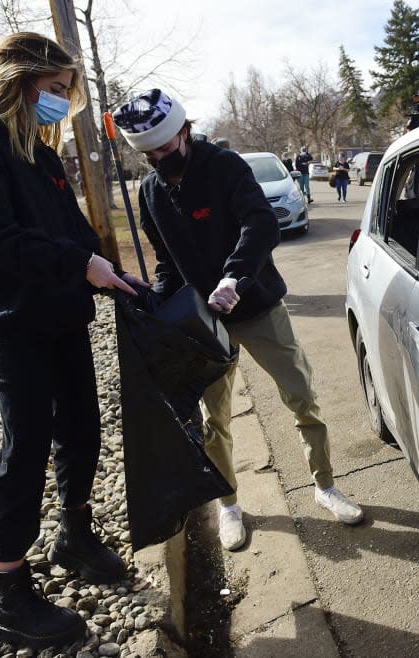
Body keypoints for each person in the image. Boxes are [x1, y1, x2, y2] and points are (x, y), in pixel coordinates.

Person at [0, 32, 146, 650]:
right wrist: (80, 266)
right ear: (19, 83)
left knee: (81, 428)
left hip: (63, 316)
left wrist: (111, 272)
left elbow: (74, 234)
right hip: (16, 322)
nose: (59, 102)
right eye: (53, 90)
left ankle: (74, 533)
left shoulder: (43, 158)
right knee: (24, 448)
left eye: (64, 93)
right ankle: (12, 592)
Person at [113, 89, 364, 552]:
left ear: (184, 132)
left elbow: (260, 223)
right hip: (204, 326)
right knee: (215, 420)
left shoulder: (225, 167)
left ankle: (324, 485)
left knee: (301, 396)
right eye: (149, 154)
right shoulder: (150, 192)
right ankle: (229, 504)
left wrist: (234, 276)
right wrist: (162, 307)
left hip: (257, 305)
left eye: (165, 149)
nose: (159, 159)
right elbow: (167, 263)